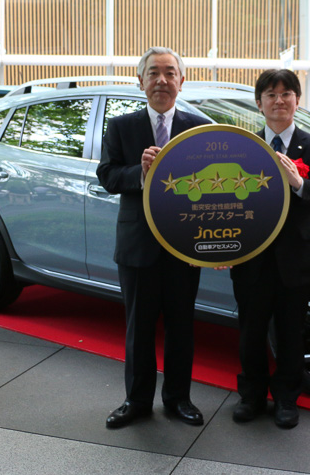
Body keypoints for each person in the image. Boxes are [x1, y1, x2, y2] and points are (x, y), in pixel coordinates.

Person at [96, 47, 210, 429]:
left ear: (182, 81)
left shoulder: (199, 130)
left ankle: (179, 399)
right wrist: (141, 173)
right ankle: (137, 401)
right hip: (138, 245)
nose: (162, 80)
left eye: (170, 73)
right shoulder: (121, 127)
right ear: (140, 80)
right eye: (154, 73)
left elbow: (213, 187)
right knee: (138, 329)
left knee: (181, 327)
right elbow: (107, 175)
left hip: (184, 246)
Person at [230, 69, 310, 429]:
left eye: (286, 94)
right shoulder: (243, 147)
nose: (279, 101)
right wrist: (222, 247)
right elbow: (227, 201)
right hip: (250, 258)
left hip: (295, 258)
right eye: (271, 95)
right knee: (250, 331)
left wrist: (299, 183)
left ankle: (287, 399)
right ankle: (251, 396)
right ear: (259, 103)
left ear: (297, 100)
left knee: (291, 332)